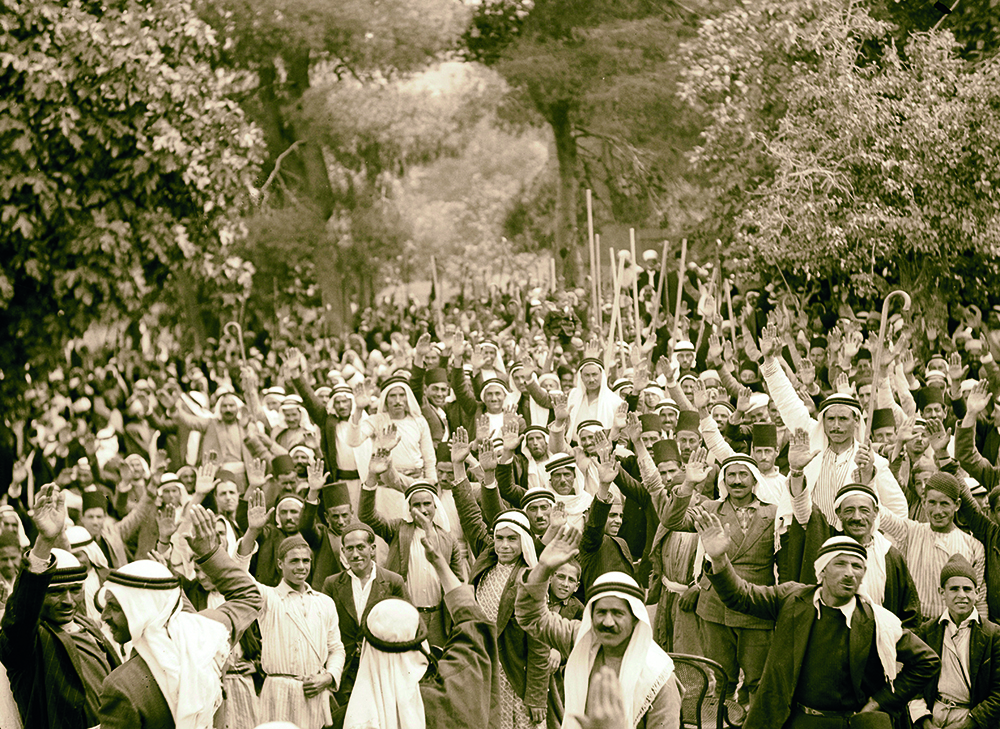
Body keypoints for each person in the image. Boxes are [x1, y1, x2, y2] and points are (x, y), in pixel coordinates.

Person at [695, 513, 941, 729]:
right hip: (796, 720)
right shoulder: (792, 598)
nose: (850, 572)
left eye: (857, 566)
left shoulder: (877, 621)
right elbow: (742, 597)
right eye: (841, 564)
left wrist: (879, 702)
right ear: (822, 571)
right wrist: (719, 559)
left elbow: (927, 661)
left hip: (850, 723)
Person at [340, 510, 498, 729]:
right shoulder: (451, 691)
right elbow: (474, 628)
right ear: (418, 637)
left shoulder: (346, 718)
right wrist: (439, 561)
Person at [515, 525, 682, 729]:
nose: (607, 622)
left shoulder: (658, 677)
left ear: (635, 619)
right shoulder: (582, 638)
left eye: (618, 613)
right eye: (601, 612)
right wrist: (543, 568)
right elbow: (532, 617)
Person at [758, 323, 909, 522]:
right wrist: (770, 360)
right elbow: (787, 401)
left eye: (843, 419)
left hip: (853, 543)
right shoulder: (812, 440)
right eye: (830, 419)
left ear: (856, 421)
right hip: (811, 539)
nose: (836, 425)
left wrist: (876, 535)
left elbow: (899, 509)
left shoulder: (870, 461)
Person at [0, 483, 120, 729]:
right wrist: (44, 542)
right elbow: (20, 616)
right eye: (55, 593)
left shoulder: (88, 626)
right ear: (38, 595)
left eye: (75, 590)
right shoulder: (29, 641)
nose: (67, 601)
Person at [451, 452, 551, 729]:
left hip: (514, 673)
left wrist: (536, 696)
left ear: (525, 543)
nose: (504, 545)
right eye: (499, 538)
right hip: (481, 667)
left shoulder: (531, 578)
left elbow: (540, 646)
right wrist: (459, 466)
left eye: (511, 539)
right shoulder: (487, 557)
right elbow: (470, 515)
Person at [243, 494, 346, 729]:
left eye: (305, 561)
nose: (301, 567)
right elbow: (239, 574)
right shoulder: (269, 597)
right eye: (294, 561)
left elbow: (336, 648)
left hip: (314, 691)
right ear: (280, 564)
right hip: (277, 692)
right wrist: (252, 532)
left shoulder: (324, 602)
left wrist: (329, 677)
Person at [360, 449, 464, 647]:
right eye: (417, 505)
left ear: (435, 506)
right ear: (409, 508)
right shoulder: (398, 530)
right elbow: (367, 516)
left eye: (427, 504)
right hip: (406, 613)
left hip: (438, 619)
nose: (423, 510)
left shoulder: (448, 539)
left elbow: (458, 581)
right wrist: (372, 476)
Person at [878, 472, 988, 622]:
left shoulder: (973, 546)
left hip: (954, 627)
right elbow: (880, 514)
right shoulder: (911, 532)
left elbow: (979, 599)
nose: (938, 511)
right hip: (916, 624)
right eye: (932, 502)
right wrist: (869, 479)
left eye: (944, 504)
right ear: (923, 502)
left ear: (957, 505)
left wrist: (979, 635)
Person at [321, 521, 409, 708]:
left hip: (381, 668)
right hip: (344, 670)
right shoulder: (332, 584)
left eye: (361, 547)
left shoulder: (393, 582)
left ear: (372, 548)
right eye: (349, 549)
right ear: (343, 551)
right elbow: (323, 628)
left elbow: (409, 626)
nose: (355, 554)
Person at [908, 554, 1000, 729]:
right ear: (942, 592)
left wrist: (969, 723)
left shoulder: (993, 635)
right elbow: (914, 684)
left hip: (972, 717)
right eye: (954, 589)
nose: (961, 595)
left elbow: (998, 693)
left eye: (967, 589)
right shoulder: (927, 631)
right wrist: (924, 721)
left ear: (977, 593)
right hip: (934, 713)